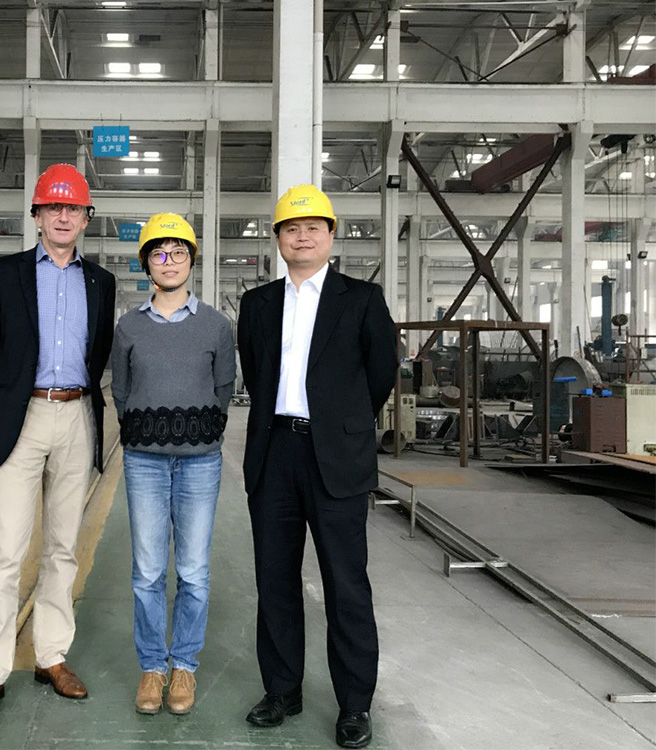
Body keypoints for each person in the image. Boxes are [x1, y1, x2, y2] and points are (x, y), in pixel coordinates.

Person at [237, 185, 396, 748]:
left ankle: (355, 703)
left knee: (345, 583)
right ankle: (282, 689)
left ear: (331, 235)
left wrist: (340, 423)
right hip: (274, 452)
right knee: (275, 579)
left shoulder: (363, 299)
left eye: (312, 227)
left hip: (336, 458)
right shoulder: (258, 304)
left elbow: (381, 374)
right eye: (290, 228)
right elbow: (255, 373)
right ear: (278, 239)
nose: (301, 236)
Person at [0, 163, 116, 721]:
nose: (63, 216)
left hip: (75, 415)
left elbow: (99, 350)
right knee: (6, 551)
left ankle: (51, 656)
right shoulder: (5, 273)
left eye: (72, 207)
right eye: (53, 207)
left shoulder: (100, 282)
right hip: (22, 415)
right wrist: (10, 393)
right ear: (36, 215)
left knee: (62, 547)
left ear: (85, 217)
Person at [111, 213, 236, 716]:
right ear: (147, 264)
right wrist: (147, 430)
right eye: (159, 254)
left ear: (191, 261)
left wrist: (195, 432)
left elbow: (224, 388)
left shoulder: (216, 326)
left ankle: (183, 664)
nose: (169, 261)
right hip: (143, 461)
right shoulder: (128, 326)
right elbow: (121, 392)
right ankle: (151, 667)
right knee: (146, 571)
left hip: (200, 463)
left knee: (193, 571)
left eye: (178, 252)